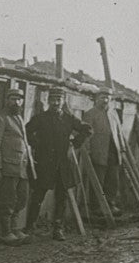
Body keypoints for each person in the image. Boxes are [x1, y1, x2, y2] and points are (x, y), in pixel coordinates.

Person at [25, 87, 91, 241]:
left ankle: (58, 229)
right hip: (44, 163)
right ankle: (29, 228)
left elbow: (88, 129)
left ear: (63, 101)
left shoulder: (69, 119)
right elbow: (26, 131)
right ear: (48, 101)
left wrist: (74, 143)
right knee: (38, 196)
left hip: (62, 164)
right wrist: (37, 144)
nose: (56, 102)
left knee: (61, 197)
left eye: (59, 99)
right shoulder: (40, 118)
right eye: (53, 99)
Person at [0, 87, 35, 246]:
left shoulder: (19, 118)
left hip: (22, 168)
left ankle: (14, 229)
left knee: (21, 199)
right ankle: (6, 233)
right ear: (7, 100)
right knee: (7, 201)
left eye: (19, 99)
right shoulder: (1, 119)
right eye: (13, 99)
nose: (16, 102)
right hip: (7, 167)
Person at [84, 92, 126, 216]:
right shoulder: (90, 114)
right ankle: (97, 207)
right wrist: (88, 150)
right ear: (96, 99)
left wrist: (122, 148)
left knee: (112, 180)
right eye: (102, 97)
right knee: (98, 180)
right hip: (98, 152)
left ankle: (110, 204)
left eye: (107, 98)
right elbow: (86, 134)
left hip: (113, 152)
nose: (105, 100)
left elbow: (119, 132)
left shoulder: (113, 114)